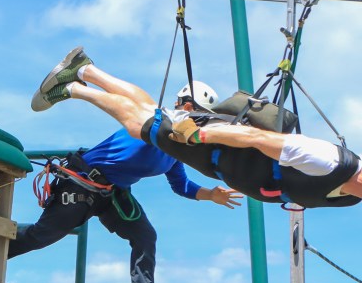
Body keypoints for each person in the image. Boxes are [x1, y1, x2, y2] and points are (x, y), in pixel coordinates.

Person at [0, 47, 242, 283]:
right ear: (188, 108)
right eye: (202, 119)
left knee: (145, 236)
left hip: (112, 194)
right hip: (82, 182)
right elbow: (137, 104)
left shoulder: (175, 153)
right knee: (41, 236)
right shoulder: (163, 123)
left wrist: (210, 194)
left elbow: (181, 185)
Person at [32, 46, 362, 209]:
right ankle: (72, 86)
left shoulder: (347, 197)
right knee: (139, 123)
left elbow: (180, 184)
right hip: (212, 146)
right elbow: (256, 137)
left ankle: (85, 71)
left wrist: (208, 193)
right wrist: (200, 134)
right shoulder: (329, 161)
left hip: (215, 159)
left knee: (149, 113)